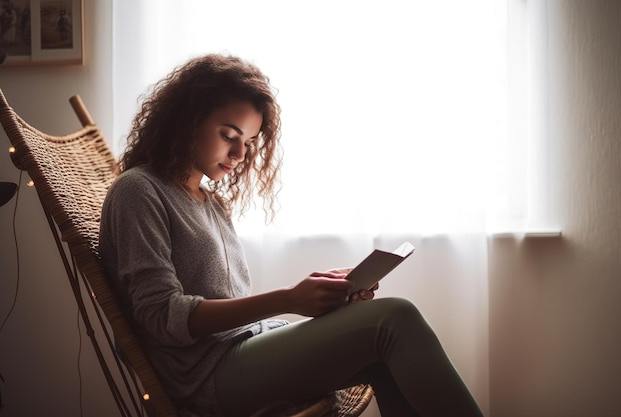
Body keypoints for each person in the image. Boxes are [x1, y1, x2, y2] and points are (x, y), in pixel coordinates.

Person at [99, 53, 485, 417]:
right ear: (187, 120)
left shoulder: (210, 202)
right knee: (394, 317)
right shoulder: (138, 190)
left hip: (242, 350)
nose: (238, 154)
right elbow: (159, 315)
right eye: (228, 134)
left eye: (248, 143)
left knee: (380, 343)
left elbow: (229, 313)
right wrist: (288, 299)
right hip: (204, 378)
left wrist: (322, 296)